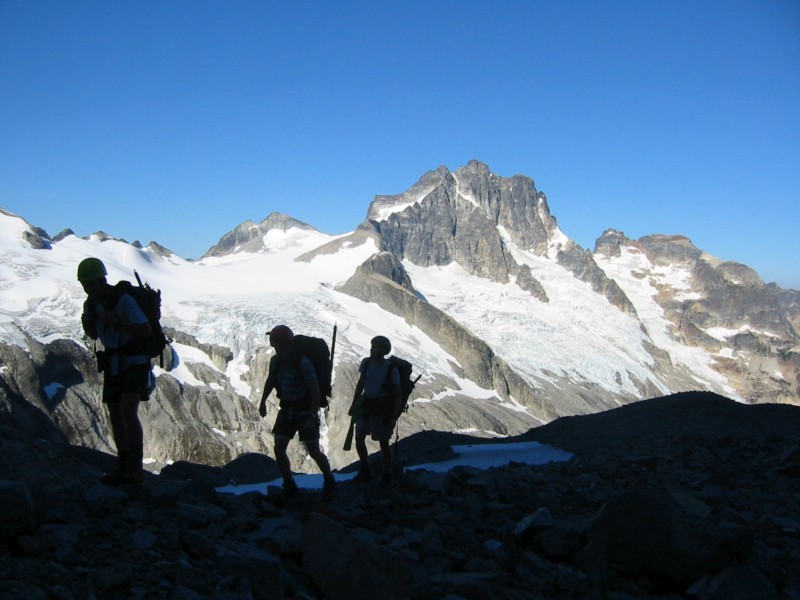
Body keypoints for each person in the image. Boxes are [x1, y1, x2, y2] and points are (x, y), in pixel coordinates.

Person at [78, 257, 152, 485]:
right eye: (86, 285)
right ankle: (124, 466)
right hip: (114, 361)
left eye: (92, 284)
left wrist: (118, 323)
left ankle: (134, 470)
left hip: (135, 360)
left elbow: (145, 329)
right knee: (115, 413)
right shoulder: (91, 305)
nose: (90, 289)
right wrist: (89, 322)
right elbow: (94, 334)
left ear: (102, 280)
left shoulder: (123, 300)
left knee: (127, 409)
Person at [259, 325, 336, 501]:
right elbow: (271, 381)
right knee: (279, 448)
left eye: (275, 342)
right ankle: (289, 483)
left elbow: (315, 390)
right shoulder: (277, 361)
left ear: (283, 343)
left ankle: (329, 480)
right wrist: (262, 402)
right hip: (288, 408)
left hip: (304, 410)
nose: (273, 346)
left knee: (313, 450)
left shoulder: (302, 362)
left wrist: (312, 415)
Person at [349, 335, 402, 484]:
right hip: (367, 407)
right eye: (372, 346)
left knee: (383, 441)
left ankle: (386, 471)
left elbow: (398, 394)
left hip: (382, 410)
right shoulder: (366, 363)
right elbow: (360, 384)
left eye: (375, 347)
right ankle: (366, 469)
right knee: (359, 437)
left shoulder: (391, 369)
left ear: (384, 350)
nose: (372, 349)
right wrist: (354, 404)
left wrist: (393, 416)